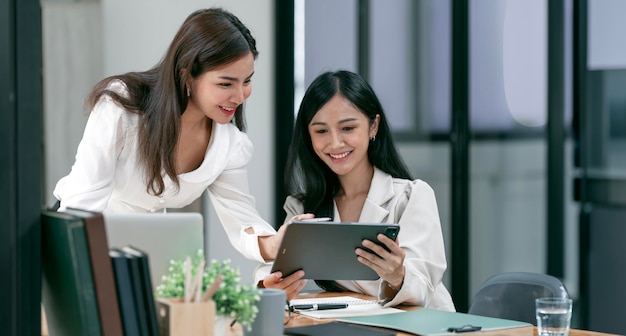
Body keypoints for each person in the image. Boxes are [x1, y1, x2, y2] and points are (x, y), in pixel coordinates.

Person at [53, 8, 289, 263]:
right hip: (78, 240)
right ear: (187, 74)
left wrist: (277, 245)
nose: (240, 96)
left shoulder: (229, 145)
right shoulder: (123, 109)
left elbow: (243, 220)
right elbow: (82, 204)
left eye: (247, 81)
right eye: (226, 84)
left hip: (143, 252)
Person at [259, 70, 455, 311]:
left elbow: (423, 286)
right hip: (356, 325)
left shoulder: (412, 196)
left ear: (373, 126)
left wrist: (398, 276)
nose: (335, 143)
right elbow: (273, 269)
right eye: (321, 131)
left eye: (348, 128)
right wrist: (272, 286)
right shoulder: (302, 206)